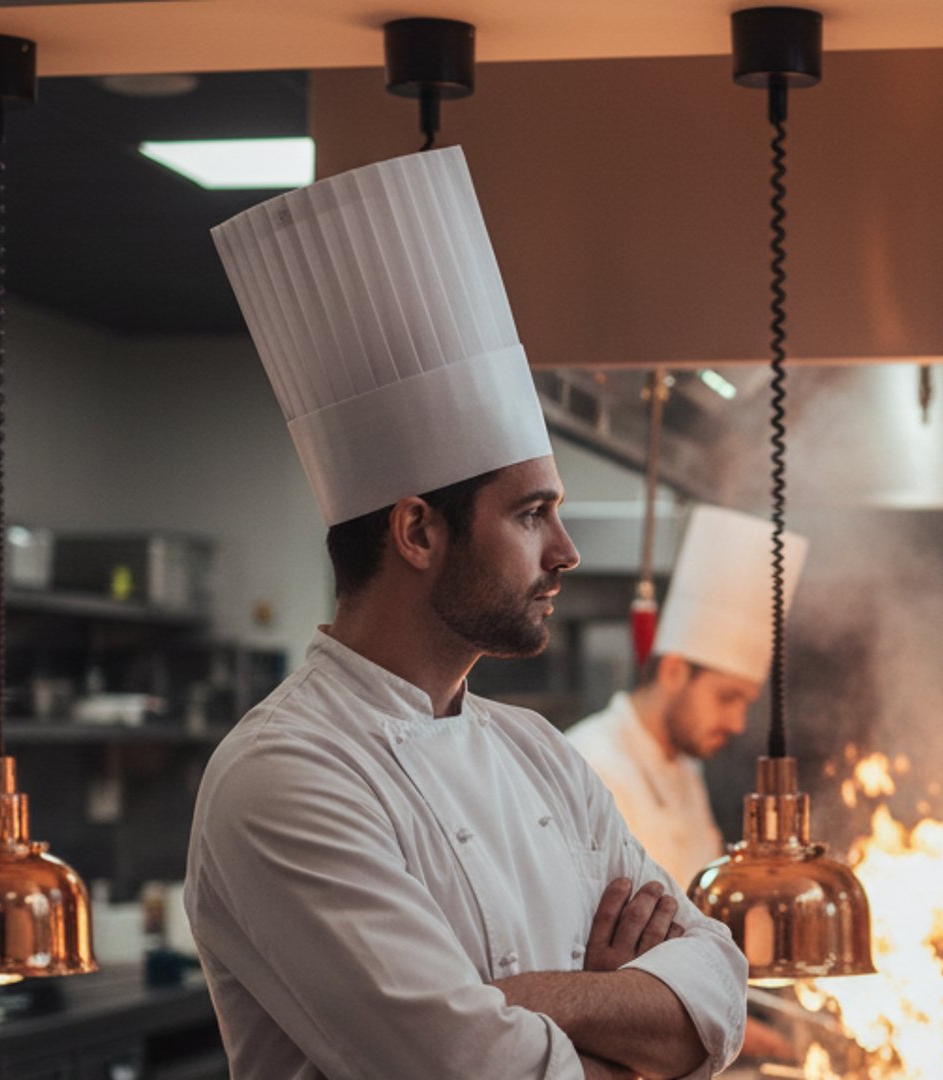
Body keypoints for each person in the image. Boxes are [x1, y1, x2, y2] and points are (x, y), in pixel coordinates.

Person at [188, 147, 746, 1080]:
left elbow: (718, 991)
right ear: (418, 531)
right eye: (532, 515)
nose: (565, 552)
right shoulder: (284, 778)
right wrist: (623, 1020)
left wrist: (524, 998)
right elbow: (466, 1069)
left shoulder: (538, 754)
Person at [568, 505, 806, 887]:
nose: (738, 723)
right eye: (727, 697)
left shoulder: (685, 767)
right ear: (674, 671)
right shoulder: (591, 765)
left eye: (745, 703)